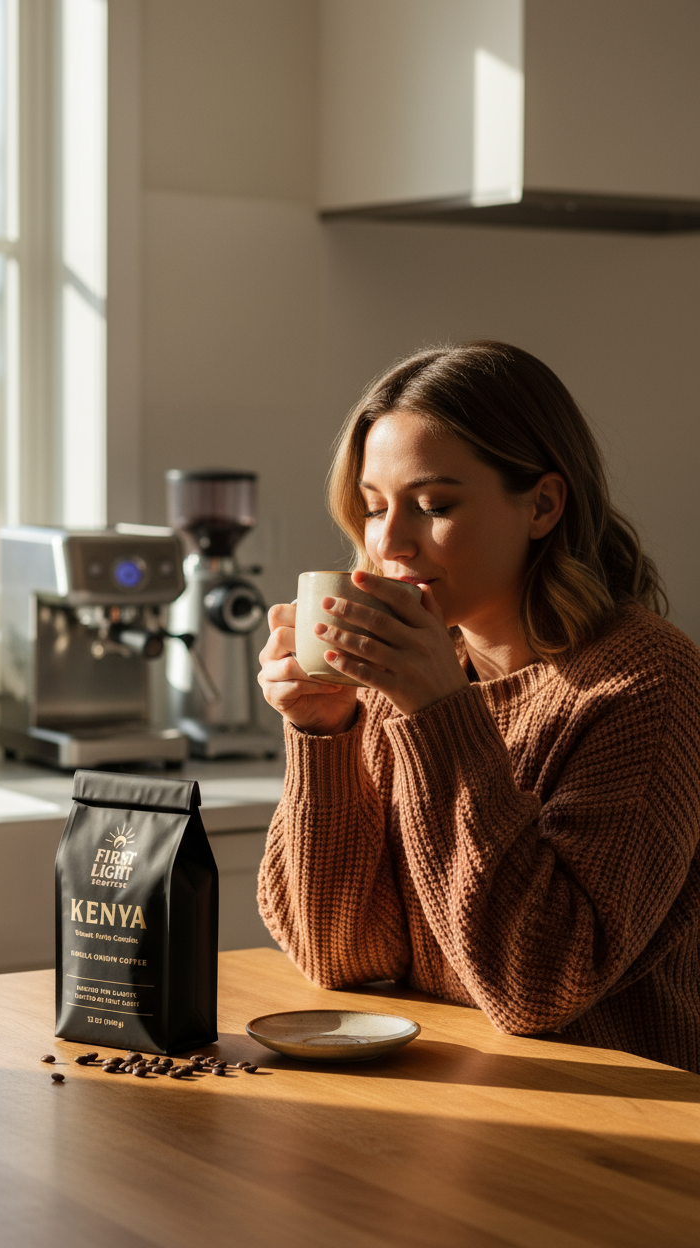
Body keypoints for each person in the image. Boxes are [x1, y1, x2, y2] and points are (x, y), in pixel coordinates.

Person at [257, 341, 700, 1073]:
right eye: (373, 508)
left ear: (543, 505)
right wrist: (323, 732)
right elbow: (338, 955)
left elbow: (538, 988)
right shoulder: (409, 678)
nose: (389, 542)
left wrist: (440, 715)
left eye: (434, 505)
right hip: (453, 1091)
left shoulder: (645, 683)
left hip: (624, 1122)